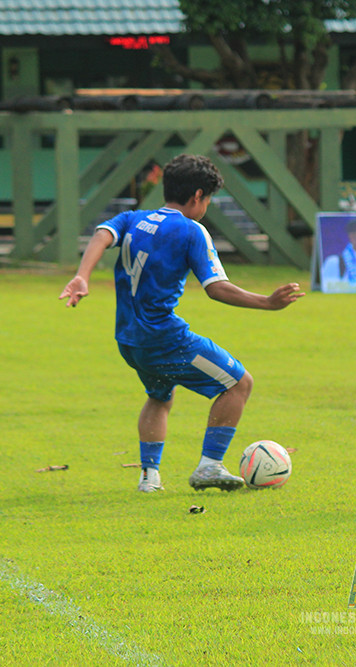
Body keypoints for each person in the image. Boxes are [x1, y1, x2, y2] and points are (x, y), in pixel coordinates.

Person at [59, 154, 304, 493]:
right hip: (165, 339)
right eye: (209, 200)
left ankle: (149, 477)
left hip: (129, 340)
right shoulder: (192, 231)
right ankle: (209, 466)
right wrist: (267, 302)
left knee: (160, 396)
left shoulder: (134, 219)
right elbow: (217, 289)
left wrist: (81, 276)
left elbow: (102, 234)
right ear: (197, 197)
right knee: (239, 384)